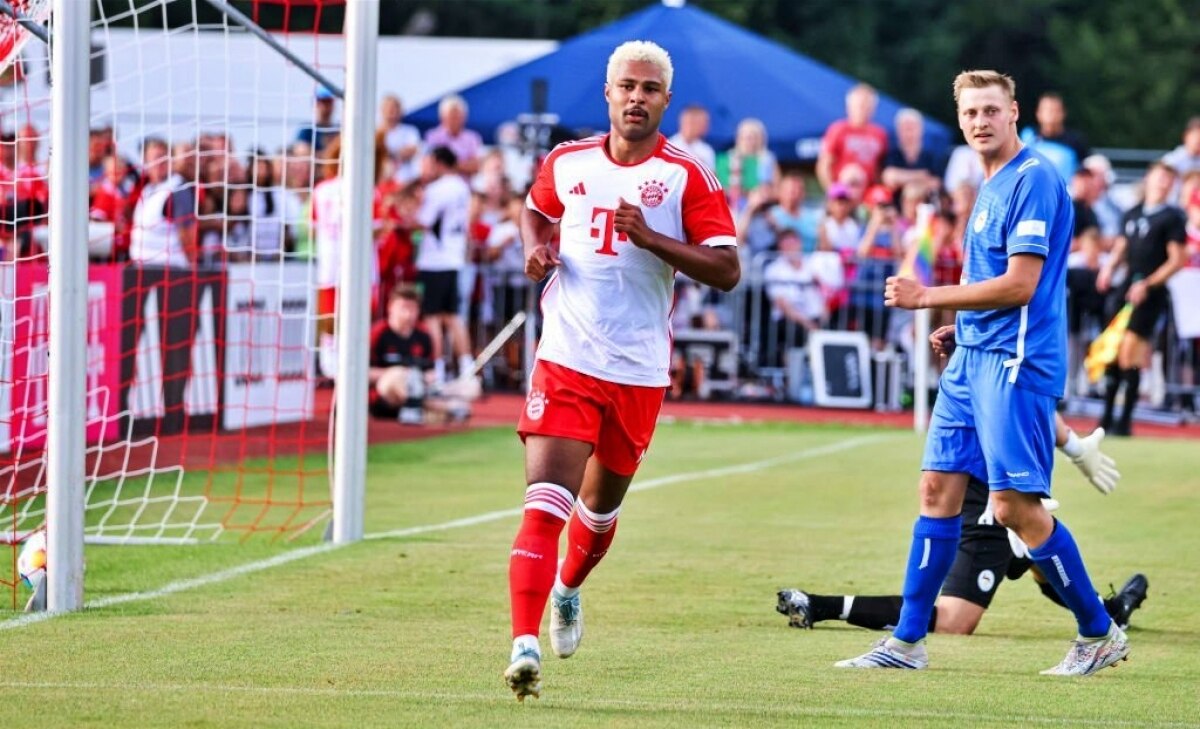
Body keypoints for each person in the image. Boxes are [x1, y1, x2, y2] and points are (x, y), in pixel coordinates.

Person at [838, 70, 1129, 676]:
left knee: (1012, 506)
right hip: (974, 357)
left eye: (990, 110)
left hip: (1014, 362)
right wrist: (961, 328)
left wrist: (928, 299)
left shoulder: (1034, 179)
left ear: (1014, 112)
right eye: (970, 113)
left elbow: (1021, 285)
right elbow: (992, 283)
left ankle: (1099, 632)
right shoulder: (989, 182)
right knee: (935, 491)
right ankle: (908, 643)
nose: (979, 122)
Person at [503, 40, 739, 701]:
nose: (637, 97)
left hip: (637, 371)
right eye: (626, 86)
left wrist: (654, 239)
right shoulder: (567, 161)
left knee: (598, 514)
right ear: (608, 94)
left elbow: (727, 269)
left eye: (649, 89)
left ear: (666, 100)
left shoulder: (686, 176)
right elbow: (535, 207)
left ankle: (568, 590)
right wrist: (535, 246)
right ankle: (523, 643)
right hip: (567, 359)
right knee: (544, 504)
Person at [778, 414, 1144, 636]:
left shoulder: (1011, 325)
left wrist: (1074, 449)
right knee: (1036, 559)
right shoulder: (978, 338)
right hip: (973, 488)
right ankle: (1111, 612)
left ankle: (822, 606)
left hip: (993, 492)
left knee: (955, 621)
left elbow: (1033, 398)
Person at [1096, 161, 1188, 435]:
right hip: (1125, 287)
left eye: (1168, 180)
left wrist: (1148, 284)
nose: (1163, 183)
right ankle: (1107, 418)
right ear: (1149, 179)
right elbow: (1122, 247)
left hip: (1149, 292)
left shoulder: (1172, 218)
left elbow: (1177, 260)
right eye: (1160, 177)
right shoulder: (1132, 213)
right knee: (1112, 352)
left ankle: (1124, 421)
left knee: (1130, 353)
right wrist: (1109, 268)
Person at [415, 146, 474, 381]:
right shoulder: (462, 187)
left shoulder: (437, 189)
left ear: (439, 163)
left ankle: (437, 369)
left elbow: (424, 221)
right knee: (453, 316)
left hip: (435, 259)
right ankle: (466, 367)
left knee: (433, 316)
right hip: (454, 256)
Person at [368, 284, 435, 423]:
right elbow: (362, 373)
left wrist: (422, 377)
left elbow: (432, 371)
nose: (408, 314)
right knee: (397, 376)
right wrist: (402, 374)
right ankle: (434, 407)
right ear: (391, 307)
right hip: (385, 395)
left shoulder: (424, 335)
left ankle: (420, 406)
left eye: (412, 308)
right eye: (404, 308)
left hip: (421, 387)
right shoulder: (377, 334)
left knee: (470, 386)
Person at [817, 83, 889, 189]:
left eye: (868, 106)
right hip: (843, 189)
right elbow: (824, 165)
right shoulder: (838, 130)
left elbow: (880, 168)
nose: (863, 110)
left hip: (869, 193)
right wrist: (832, 190)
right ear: (849, 107)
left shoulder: (880, 134)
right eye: (860, 105)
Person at [1019, 91, 1089, 181]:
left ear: (1063, 113)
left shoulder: (1076, 142)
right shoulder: (1028, 137)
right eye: (1047, 110)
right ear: (1038, 113)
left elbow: (1086, 173)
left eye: (1055, 110)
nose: (1051, 115)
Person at [423, 94, 484, 176]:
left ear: (464, 117)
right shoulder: (432, 136)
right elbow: (431, 167)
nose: (455, 120)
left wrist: (449, 165)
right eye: (451, 116)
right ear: (442, 117)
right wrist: (463, 165)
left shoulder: (473, 138)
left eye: (457, 116)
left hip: (464, 186)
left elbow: (477, 166)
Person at [668, 104, 716, 172]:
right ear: (690, 122)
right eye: (704, 122)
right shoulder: (670, 146)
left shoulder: (707, 150)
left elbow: (712, 178)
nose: (707, 126)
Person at [294, 86, 340, 154]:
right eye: (321, 101)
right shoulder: (307, 129)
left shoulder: (338, 130)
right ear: (315, 104)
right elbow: (301, 151)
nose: (325, 106)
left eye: (328, 102)